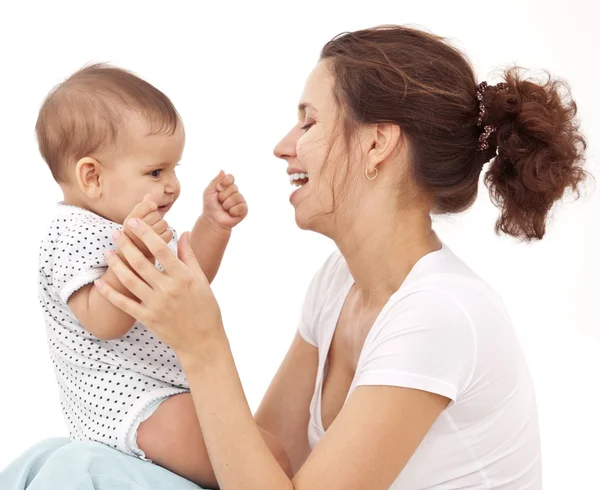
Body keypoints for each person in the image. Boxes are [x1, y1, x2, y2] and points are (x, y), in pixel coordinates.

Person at [4, 24, 587, 490]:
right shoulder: (339, 283)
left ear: (376, 144)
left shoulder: (439, 315)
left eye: (308, 121)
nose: (283, 145)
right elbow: (257, 463)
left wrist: (203, 345)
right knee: (61, 464)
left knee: (72, 475)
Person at [35, 64, 290, 488]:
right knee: (271, 459)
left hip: (165, 392)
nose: (173, 186)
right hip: (126, 402)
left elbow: (186, 287)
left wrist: (213, 226)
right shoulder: (71, 233)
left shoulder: (131, 225)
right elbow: (105, 322)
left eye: (174, 169)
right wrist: (130, 255)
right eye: (156, 172)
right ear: (91, 177)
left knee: (269, 454)